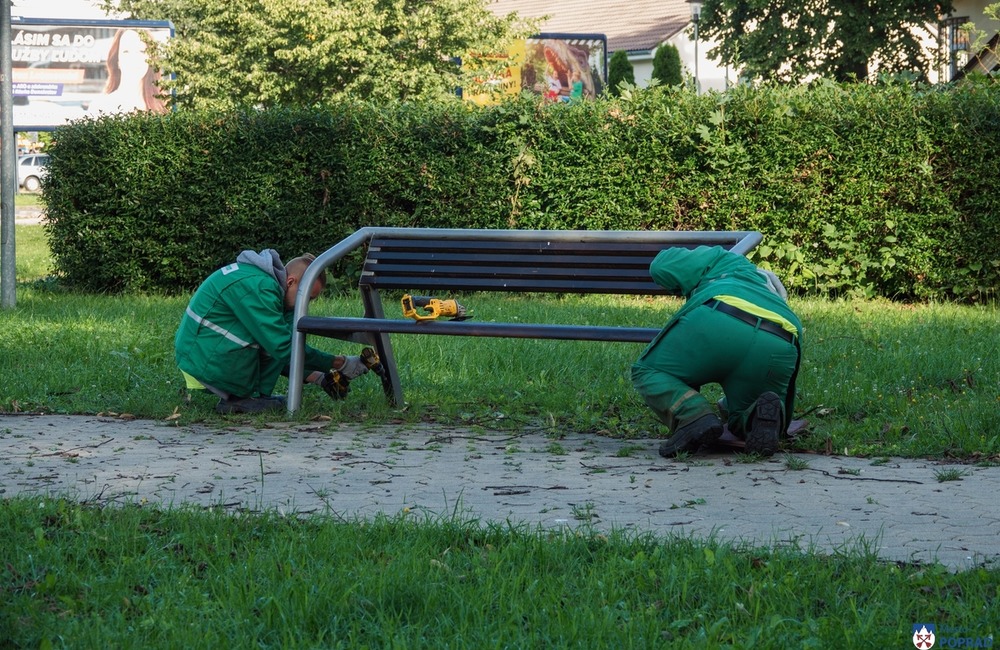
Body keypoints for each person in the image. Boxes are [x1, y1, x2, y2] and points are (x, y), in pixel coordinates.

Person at [631, 246, 803, 458]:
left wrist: (680, 285)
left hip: (720, 317)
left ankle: (693, 414)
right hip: (780, 338)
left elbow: (662, 265)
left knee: (648, 371)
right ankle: (753, 417)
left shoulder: (727, 260)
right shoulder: (768, 289)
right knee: (746, 412)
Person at [175, 249, 368, 414]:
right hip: (203, 360)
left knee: (276, 336)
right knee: (277, 340)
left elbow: (282, 350)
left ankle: (246, 398)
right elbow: (282, 348)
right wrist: (340, 363)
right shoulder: (260, 288)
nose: (305, 305)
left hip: (203, 353)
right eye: (307, 298)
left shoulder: (267, 286)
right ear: (291, 282)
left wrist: (320, 378)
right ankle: (239, 400)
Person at [87, 28, 167, 116]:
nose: (134, 58)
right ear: (117, 60)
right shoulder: (100, 107)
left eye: (141, 51)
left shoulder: (163, 106)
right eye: (126, 51)